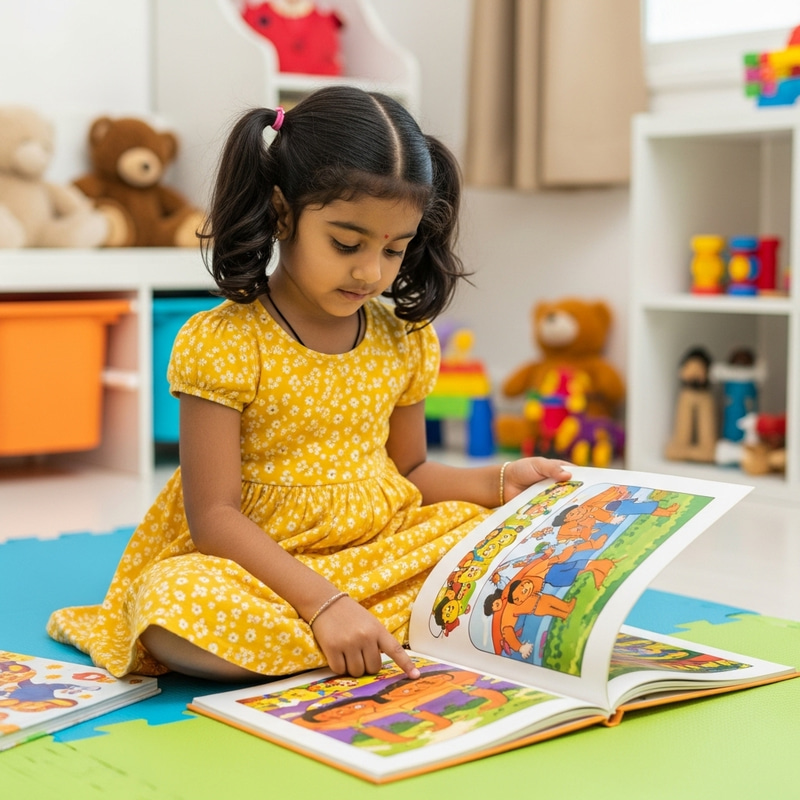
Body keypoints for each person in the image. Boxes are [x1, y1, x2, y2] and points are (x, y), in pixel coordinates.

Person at [47, 86, 571, 683]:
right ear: (282, 211)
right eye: (346, 244)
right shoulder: (224, 341)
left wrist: (500, 481)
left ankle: (351, 634)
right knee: (172, 606)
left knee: (509, 543)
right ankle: (373, 628)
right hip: (257, 564)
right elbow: (213, 516)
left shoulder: (401, 337)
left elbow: (414, 473)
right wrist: (322, 601)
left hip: (378, 547)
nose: (370, 271)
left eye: (395, 249)